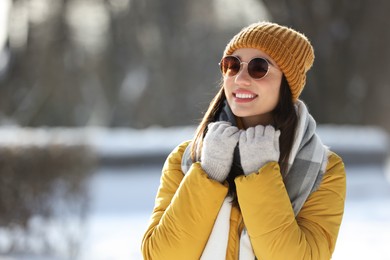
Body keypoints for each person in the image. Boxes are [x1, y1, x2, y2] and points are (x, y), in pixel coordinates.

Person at [141, 21, 346, 260]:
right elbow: (161, 256)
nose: (240, 78)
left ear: (288, 83)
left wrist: (261, 173)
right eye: (232, 65)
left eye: (259, 67)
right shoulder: (187, 157)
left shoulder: (325, 169)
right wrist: (209, 172)